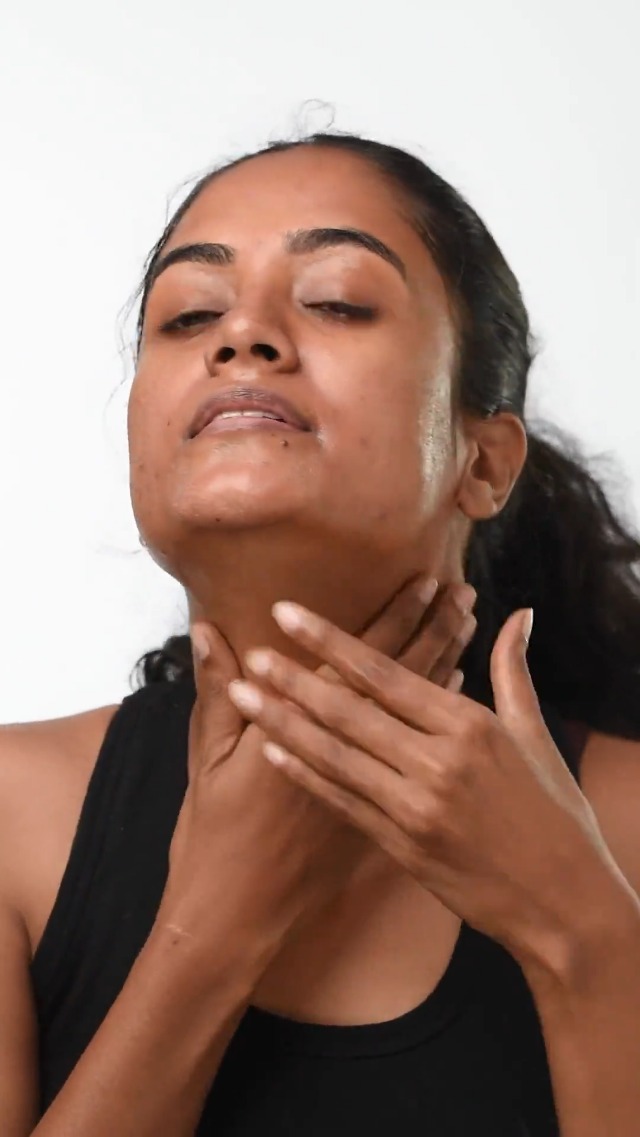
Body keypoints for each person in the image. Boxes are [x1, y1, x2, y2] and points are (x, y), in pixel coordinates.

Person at [1, 131, 639, 1137]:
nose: (241, 336)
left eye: (337, 301)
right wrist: (212, 928)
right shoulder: (13, 820)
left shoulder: (627, 826)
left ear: (483, 461)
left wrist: (584, 937)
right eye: (190, 313)